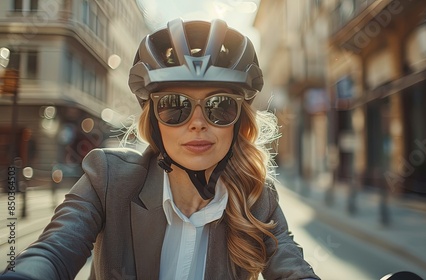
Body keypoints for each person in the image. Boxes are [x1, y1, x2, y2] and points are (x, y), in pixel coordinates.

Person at [1, 18, 319, 280]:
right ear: (154, 121)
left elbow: (294, 271)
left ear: (238, 122)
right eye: (174, 106)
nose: (197, 123)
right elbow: (54, 251)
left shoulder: (256, 197)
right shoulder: (107, 179)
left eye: (219, 106)